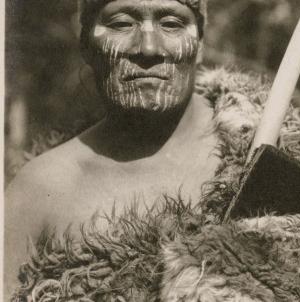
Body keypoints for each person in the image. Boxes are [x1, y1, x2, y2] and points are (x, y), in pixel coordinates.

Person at [5, 0, 217, 298]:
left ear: (201, 43)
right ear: (86, 45)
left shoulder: (266, 159)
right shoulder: (41, 189)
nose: (148, 48)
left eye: (170, 23)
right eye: (121, 23)